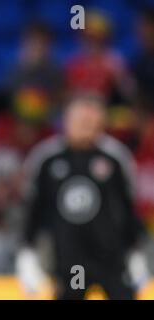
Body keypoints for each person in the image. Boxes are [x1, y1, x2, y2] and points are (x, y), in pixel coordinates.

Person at [16, 95, 149, 299]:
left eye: (92, 121)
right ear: (66, 121)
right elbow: (34, 209)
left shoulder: (115, 158)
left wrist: (136, 251)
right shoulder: (47, 159)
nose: (86, 126)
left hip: (113, 261)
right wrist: (27, 253)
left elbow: (128, 208)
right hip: (70, 262)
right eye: (81, 120)